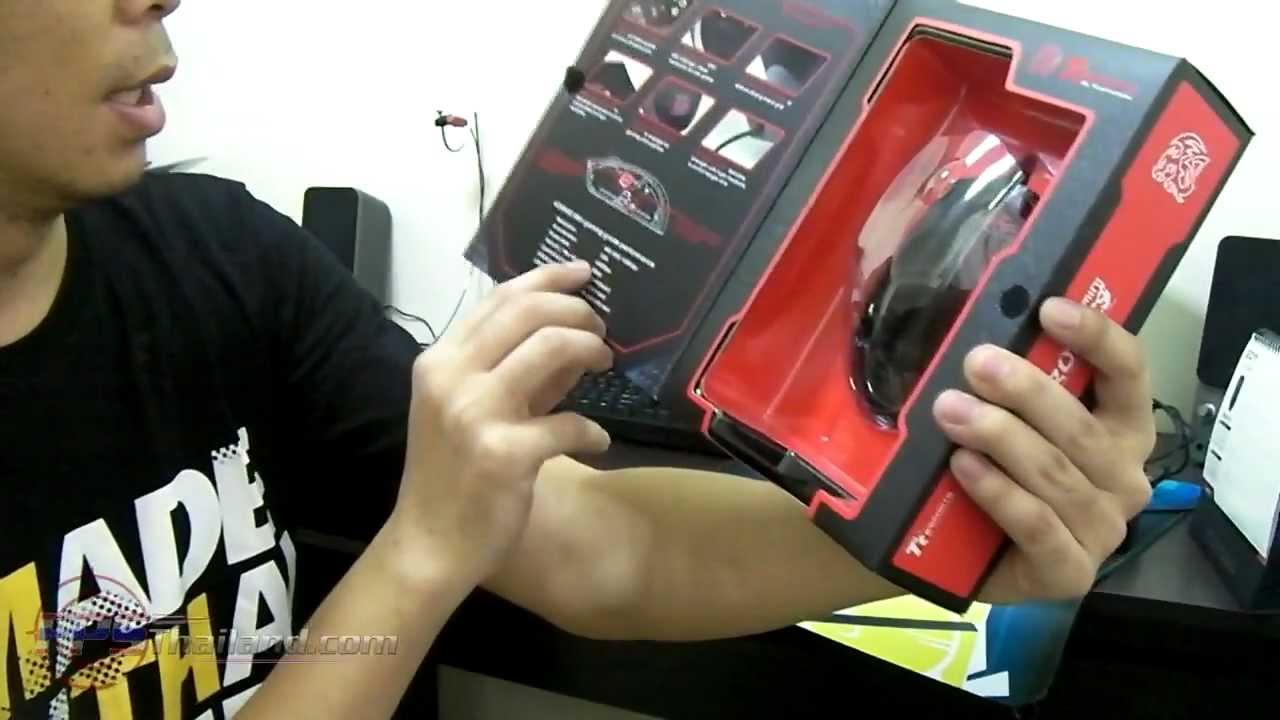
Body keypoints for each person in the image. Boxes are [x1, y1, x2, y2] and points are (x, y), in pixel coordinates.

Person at [0, 1, 1156, 718]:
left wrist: (940, 536)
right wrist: (421, 550)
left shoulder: (214, 254)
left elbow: (604, 552)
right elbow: (441, 541)